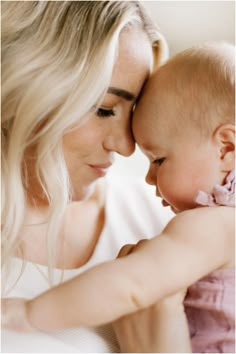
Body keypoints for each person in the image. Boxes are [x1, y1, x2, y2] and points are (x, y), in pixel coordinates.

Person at [2, 42, 235, 353]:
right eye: (104, 109)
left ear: (226, 148)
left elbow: (131, 286)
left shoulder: (214, 224)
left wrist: (30, 313)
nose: (148, 176)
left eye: (159, 160)